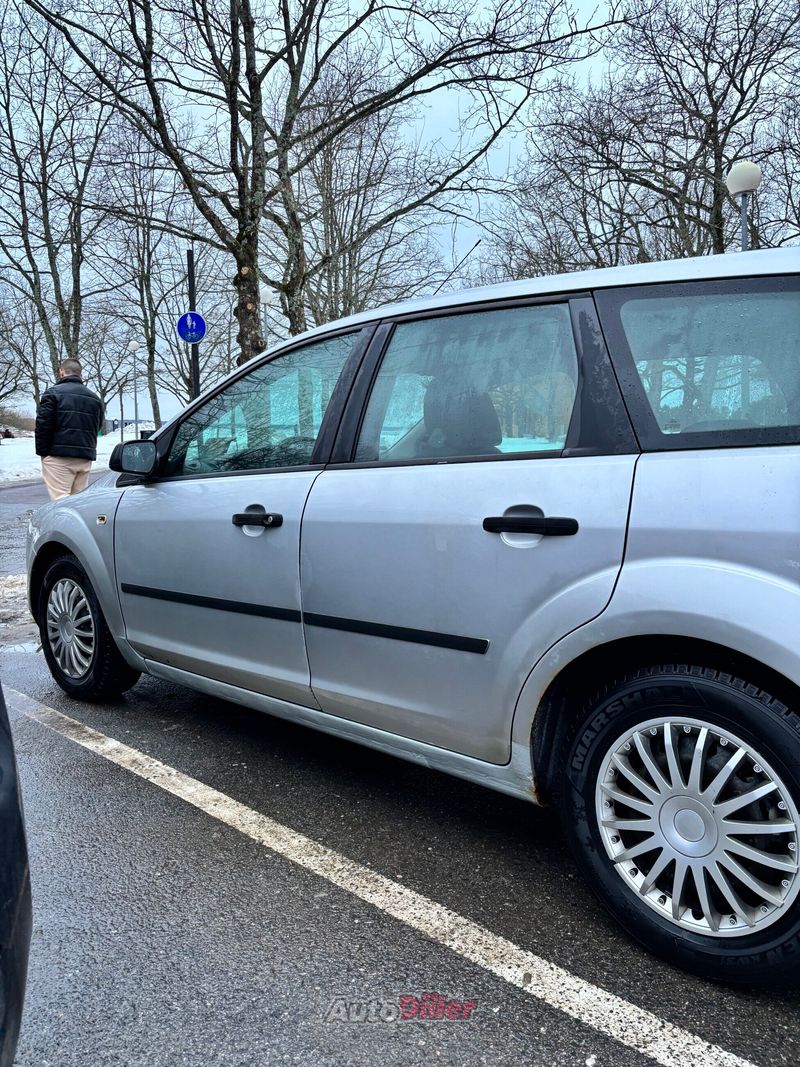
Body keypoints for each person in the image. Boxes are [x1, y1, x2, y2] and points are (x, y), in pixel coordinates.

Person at [35, 358, 104, 500]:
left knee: (60, 501)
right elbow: (98, 425)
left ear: (61, 373)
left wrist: (43, 453)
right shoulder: (95, 398)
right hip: (84, 457)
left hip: (58, 456)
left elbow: (43, 426)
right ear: (80, 374)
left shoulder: (52, 394)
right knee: (79, 502)